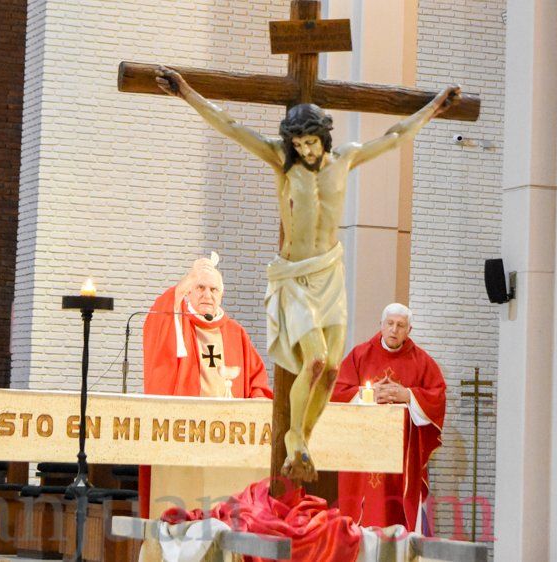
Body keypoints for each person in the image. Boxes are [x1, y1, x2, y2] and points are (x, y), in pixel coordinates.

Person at [154, 66, 459, 480]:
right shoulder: (283, 162)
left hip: (329, 273)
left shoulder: (345, 158)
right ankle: (293, 438)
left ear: (324, 138)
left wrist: (434, 107)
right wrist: (186, 92)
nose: (307, 151)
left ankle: (303, 442)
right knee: (314, 361)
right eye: (299, 144)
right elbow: (230, 126)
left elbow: (395, 137)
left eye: (312, 142)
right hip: (295, 276)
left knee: (332, 369)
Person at [139, 253, 272, 517]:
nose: (207, 295)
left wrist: (259, 400)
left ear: (221, 295)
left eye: (213, 289)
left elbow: (258, 379)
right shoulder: (175, 322)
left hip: (229, 433)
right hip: (186, 430)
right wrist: (180, 287)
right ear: (187, 291)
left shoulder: (235, 332)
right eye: (199, 288)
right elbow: (157, 326)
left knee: (227, 501)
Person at [330, 303, 446, 532]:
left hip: (401, 456)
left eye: (401, 325)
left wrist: (409, 395)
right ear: (380, 326)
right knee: (360, 517)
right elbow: (336, 392)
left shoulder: (422, 362)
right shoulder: (360, 355)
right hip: (362, 452)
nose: (394, 330)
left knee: (395, 515)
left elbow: (437, 397)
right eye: (390, 324)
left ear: (409, 330)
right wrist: (365, 395)